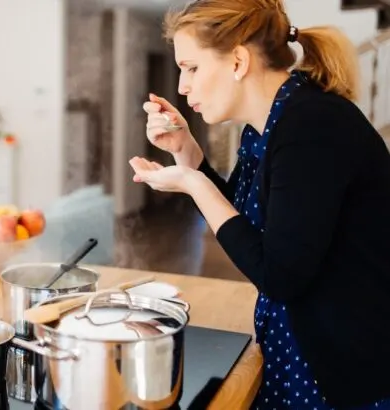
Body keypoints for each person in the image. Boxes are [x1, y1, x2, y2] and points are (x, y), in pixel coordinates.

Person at [128, 0, 390, 409]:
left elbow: (280, 274)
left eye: (192, 67)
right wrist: (188, 156)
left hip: (339, 369)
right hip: (301, 348)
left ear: (237, 61)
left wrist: (194, 184)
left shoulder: (312, 127)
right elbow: (249, 224)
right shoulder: (273, 124)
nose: (182, 86)